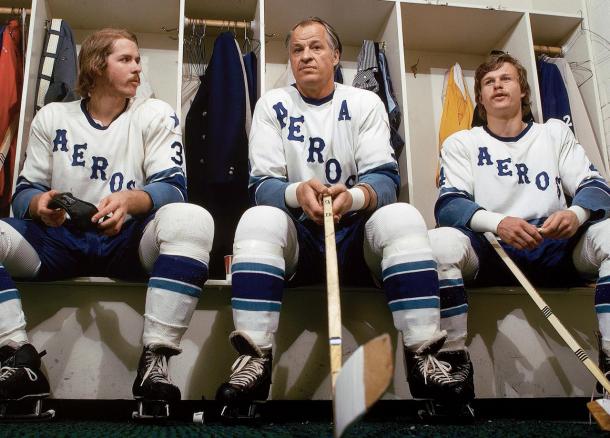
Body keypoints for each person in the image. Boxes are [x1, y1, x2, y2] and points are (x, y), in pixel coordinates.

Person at [215, 17, 473, 418]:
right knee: (256, 219)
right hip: (300, 238)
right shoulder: (272, 104)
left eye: (316, 47)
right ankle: (254, 359)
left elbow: (385, 181)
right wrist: (297, 192)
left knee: (403, 216)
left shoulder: (364, 103)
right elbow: (261, 186)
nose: (306, 56)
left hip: (354, 238)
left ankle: (423, 357)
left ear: (336, 56)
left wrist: (350, 198)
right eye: (297, 50)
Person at [0, 28, 214, 418]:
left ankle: (155, 365)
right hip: (59, 239)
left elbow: (173, 189)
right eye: (126, 59)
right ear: (97, 66)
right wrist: (39, 204)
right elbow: (23, 194)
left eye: (137, 59)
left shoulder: (154, 112)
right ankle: (18, 358)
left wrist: (131, 201)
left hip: (127, 241)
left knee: (192, 218)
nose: (138, 68)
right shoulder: (52, 116)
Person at [432, 53, 610, 394]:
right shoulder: (462, 142)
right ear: (481, 98)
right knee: (439, 243)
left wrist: (575, 214)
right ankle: (452, 372)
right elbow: (449, 205)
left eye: (506, 78)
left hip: (556, 247)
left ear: (524, 91)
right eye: (488, 82)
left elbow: (596, 187)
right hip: (492, 249)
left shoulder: (554, 133)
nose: (498, 85)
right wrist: (499, 223)